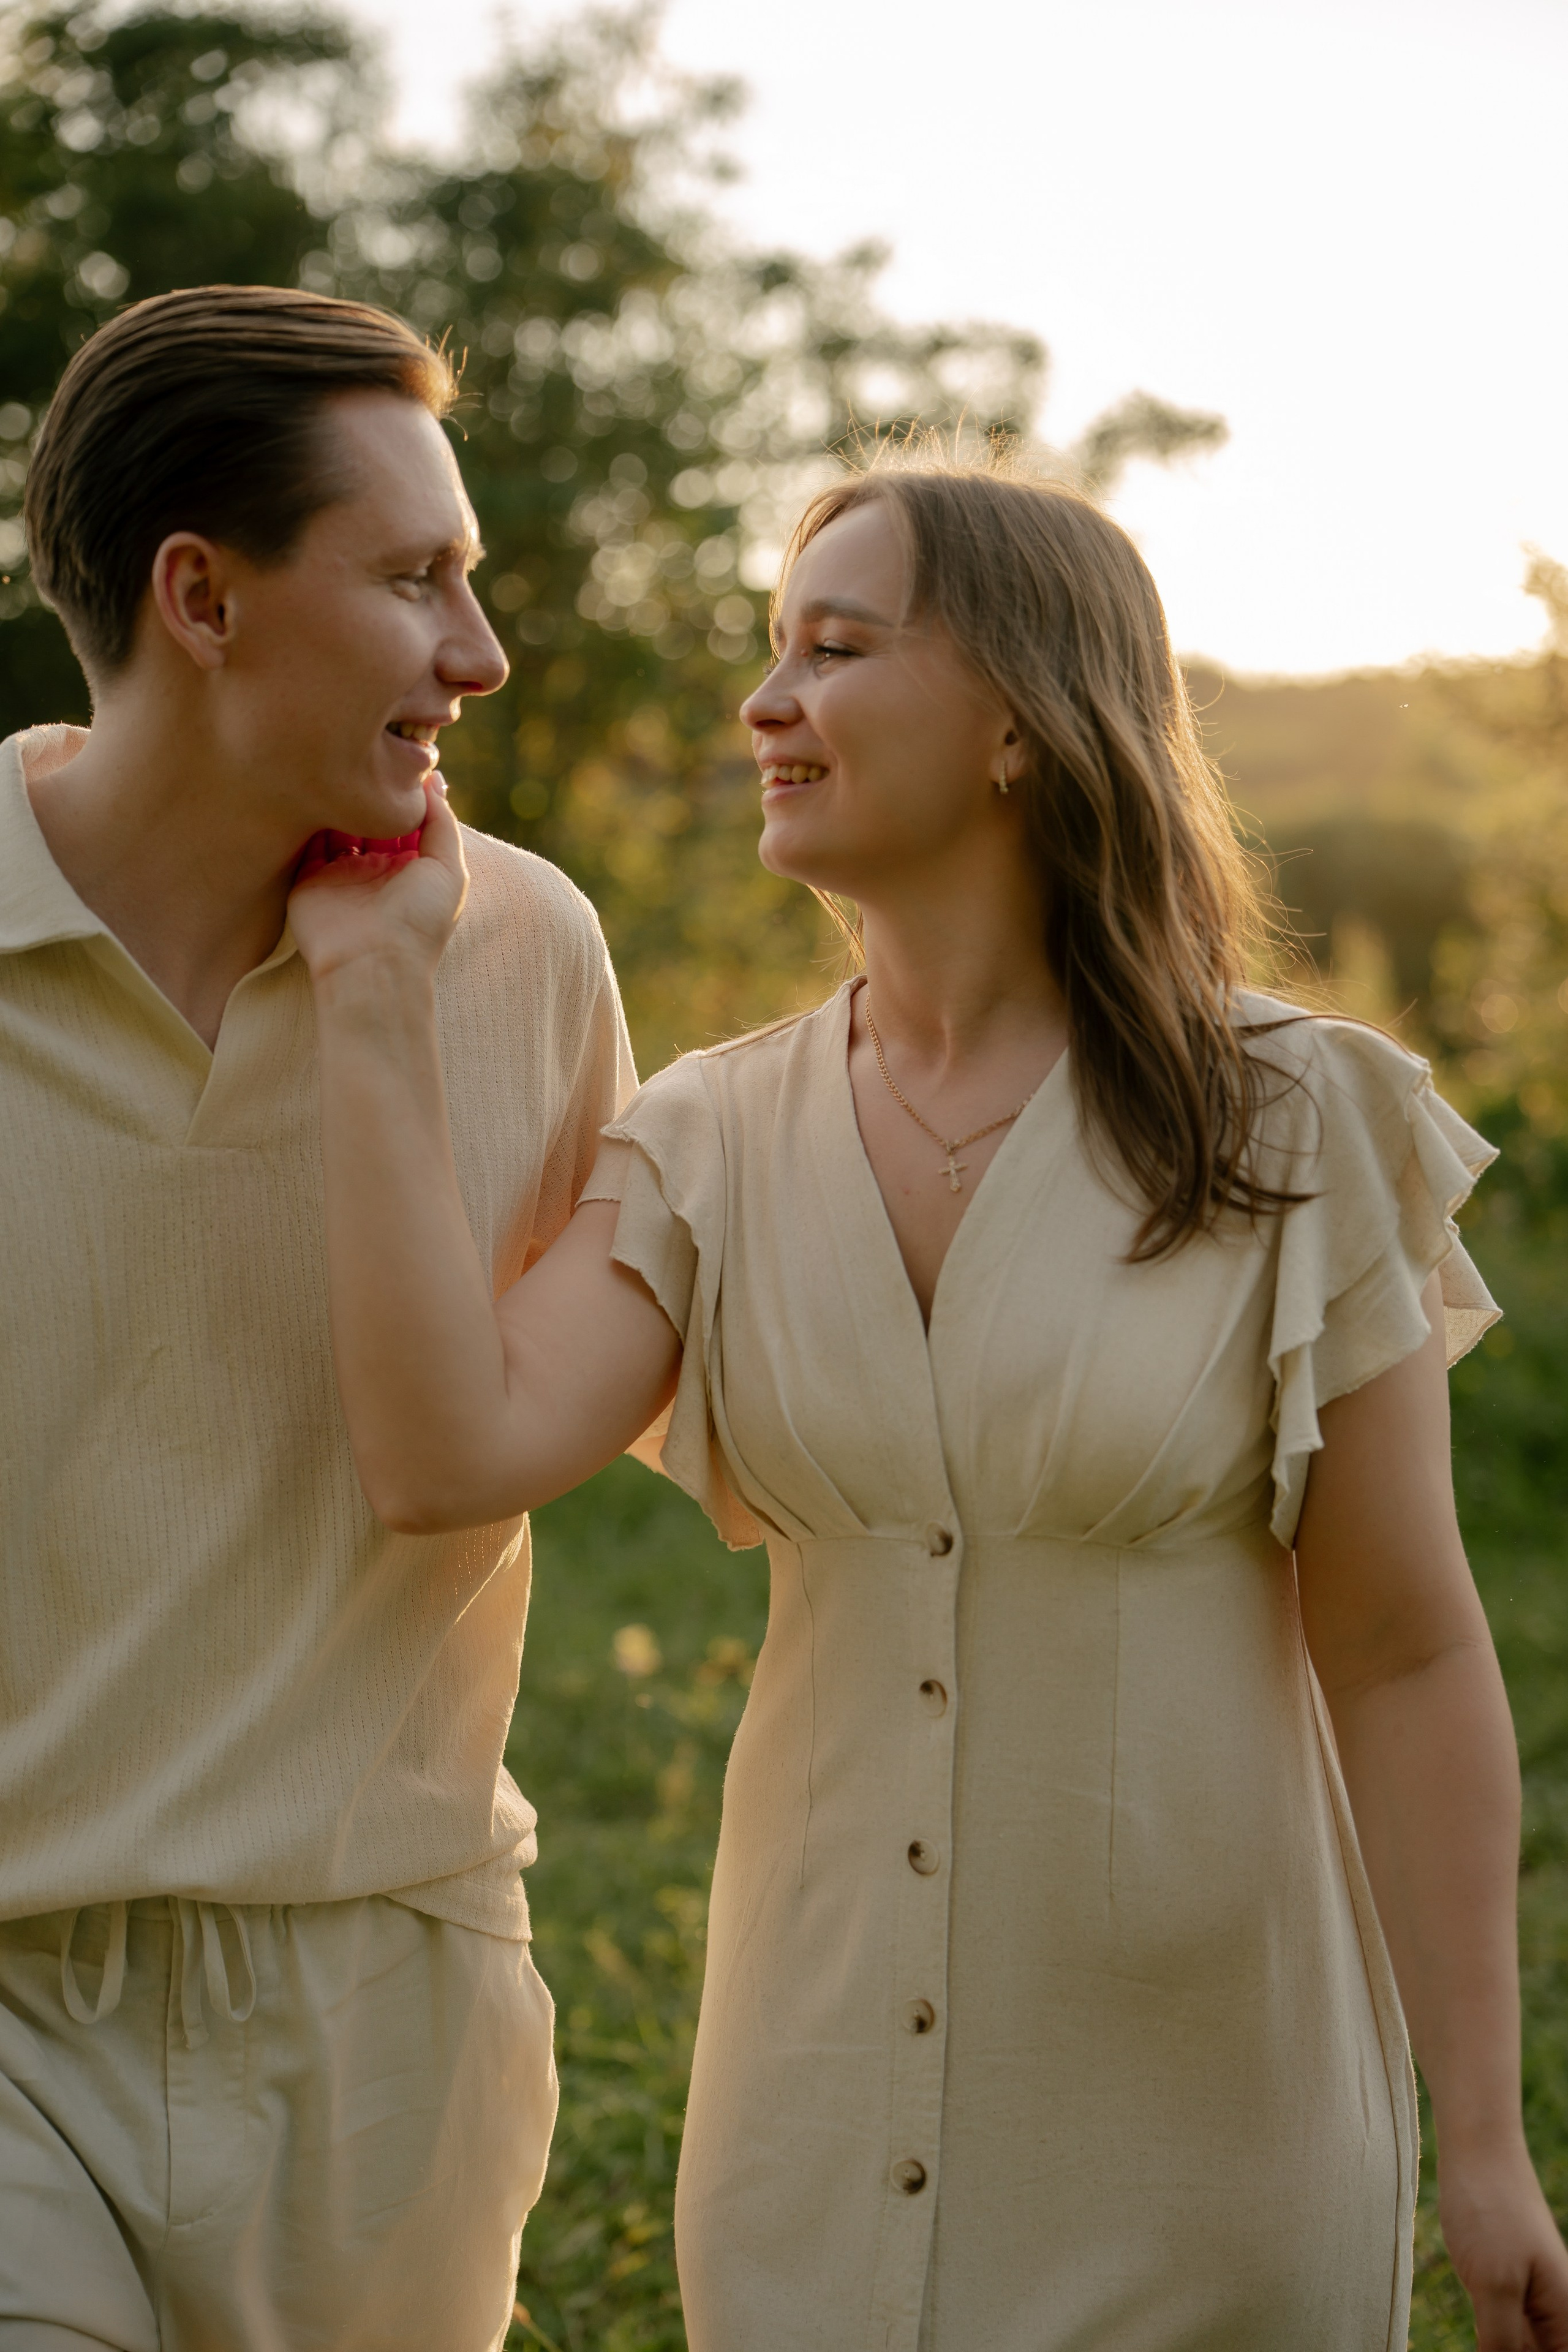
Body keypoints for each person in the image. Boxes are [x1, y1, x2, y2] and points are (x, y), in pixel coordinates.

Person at [289, 447, 1568, 2352]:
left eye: (840, 647)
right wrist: (378, 1005)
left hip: (1211, 2132)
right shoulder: (711, 1135)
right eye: (774, 648)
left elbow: (1398, 1650)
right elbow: (444, 1453)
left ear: (1019, 728)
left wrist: (1487, 2141)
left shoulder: (1302, 1121)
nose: (767, 700)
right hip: (810, 2119)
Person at [0, 287, 635, 2350]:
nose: (483, 651)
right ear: (201, 595)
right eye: (418, 579)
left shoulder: (525, 950)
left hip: (392, 2008)